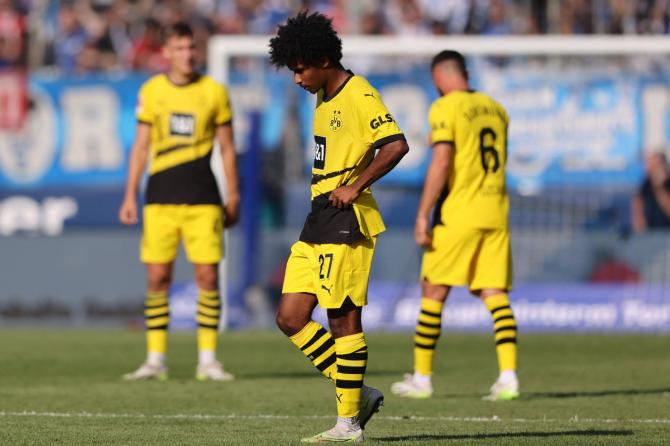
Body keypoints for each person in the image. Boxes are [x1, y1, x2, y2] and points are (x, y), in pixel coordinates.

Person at [269, 11, 409, 443]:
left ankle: (348, 424)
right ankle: (358, 394)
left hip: (347, 216)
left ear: (324, 59)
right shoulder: (323, 97)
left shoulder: (359, 92)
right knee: (290, 317)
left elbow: (396, 144)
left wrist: (356, 185)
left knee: (343, 319)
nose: (296, 79)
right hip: (319, 215)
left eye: (300, 69)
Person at [390, 50, 519, 401]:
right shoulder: (497, 109)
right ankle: (508, 377)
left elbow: (443, 160)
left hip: (459, 211)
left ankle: (422, 378)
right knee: (495, 293)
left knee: (434, 290)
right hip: (496, 211)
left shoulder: (446, 107)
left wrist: (422, 212)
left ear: (441, 76)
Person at [118, 22, 240, 381]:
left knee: (207, 275)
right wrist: (129, 194)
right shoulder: (152, 91)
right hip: (160, 197)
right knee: (157, 276)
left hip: (203, 196)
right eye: (180, 48)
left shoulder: (214, 92)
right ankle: (155, 359)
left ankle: (208, 360)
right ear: (167, 52)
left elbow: (228, 148)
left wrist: (233, 194)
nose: (187, 54)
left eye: (191, 48)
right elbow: (140, 147)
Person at [631, 151, 670, 233]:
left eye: (653, 164)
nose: (647, 166)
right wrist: (639, 224)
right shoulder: (646, 183)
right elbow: (638, 201)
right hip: (650, 234)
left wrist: (659, 187)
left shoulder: (666, 182)